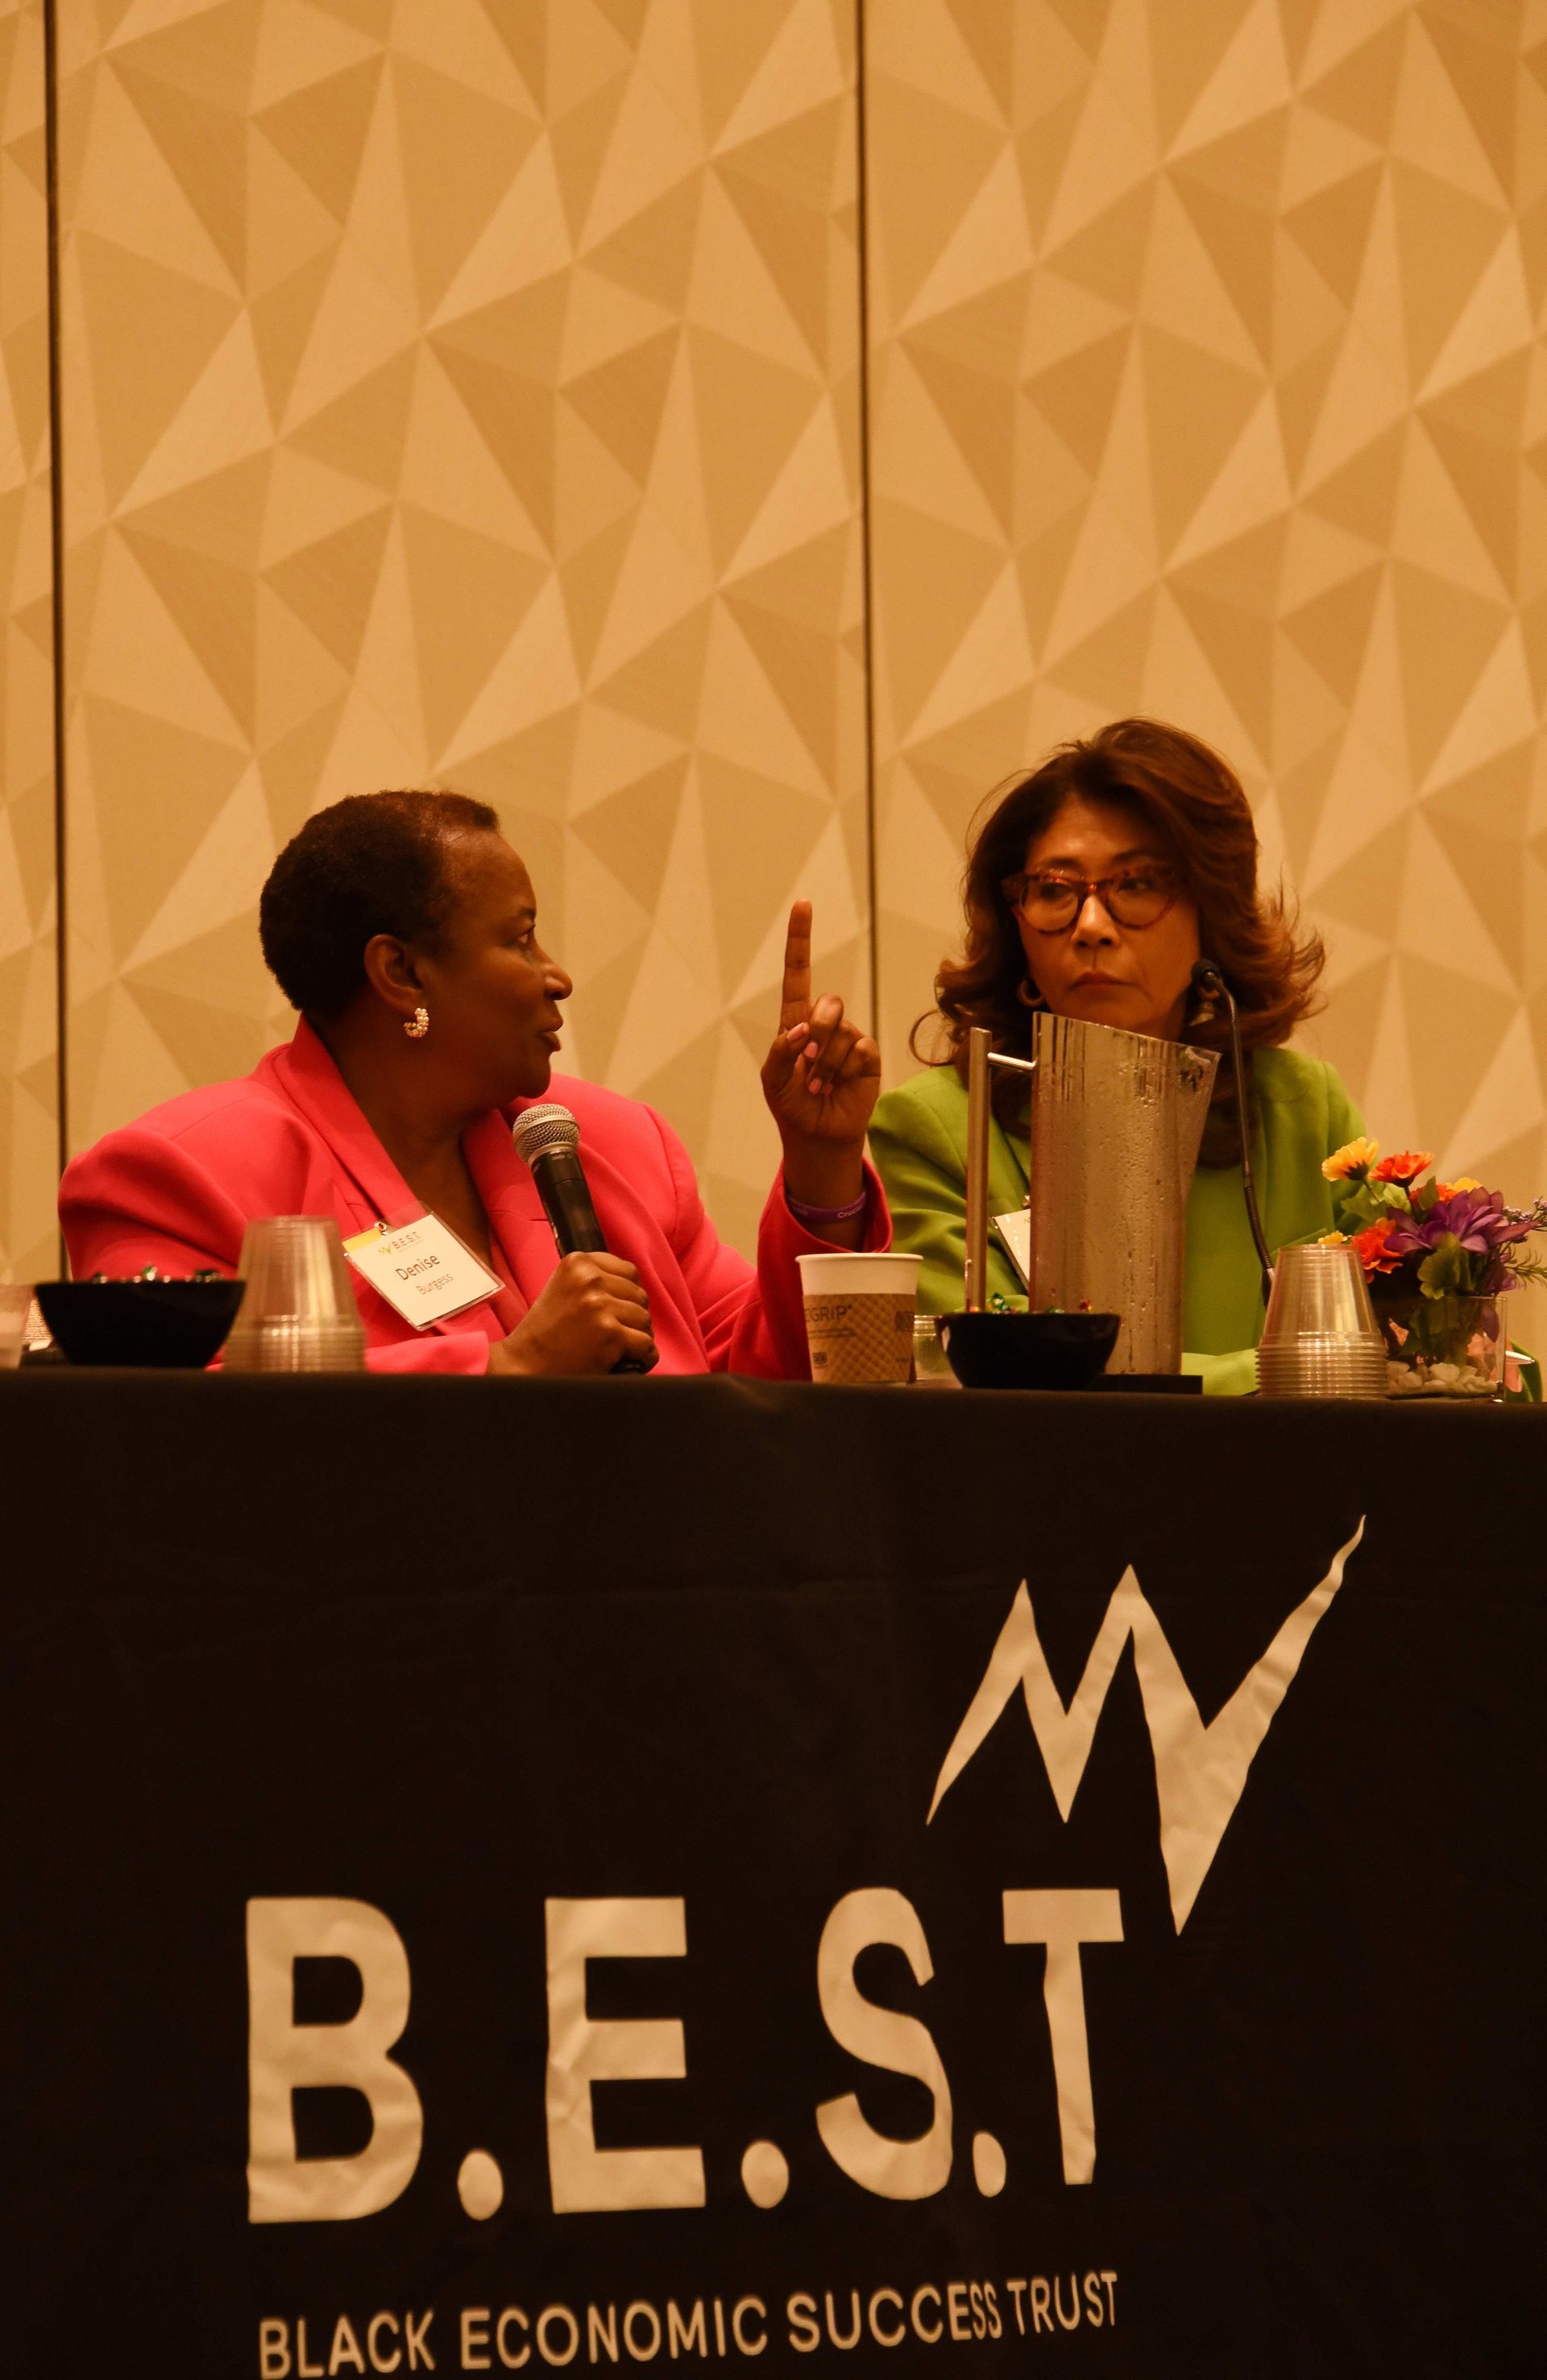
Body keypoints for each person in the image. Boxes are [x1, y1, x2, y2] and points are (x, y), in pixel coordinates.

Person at [61, 791, 886, 1377]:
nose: (557, 975)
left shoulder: (616, 1144)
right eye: (521, 940)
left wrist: (822, 1164)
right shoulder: (179, 1175)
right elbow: (173, 1439)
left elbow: (769, 1381)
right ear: (401, 971)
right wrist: (506, 1367)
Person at [868, 719, 1359, 1394]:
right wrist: (1279, 1370)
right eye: (1054, 891)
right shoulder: (936, 1128)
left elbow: (1398, 1348)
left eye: (1136, 885)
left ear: (1210, 909)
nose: (1091, 927)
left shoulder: (1302, 1108)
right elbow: (1002, 1381)